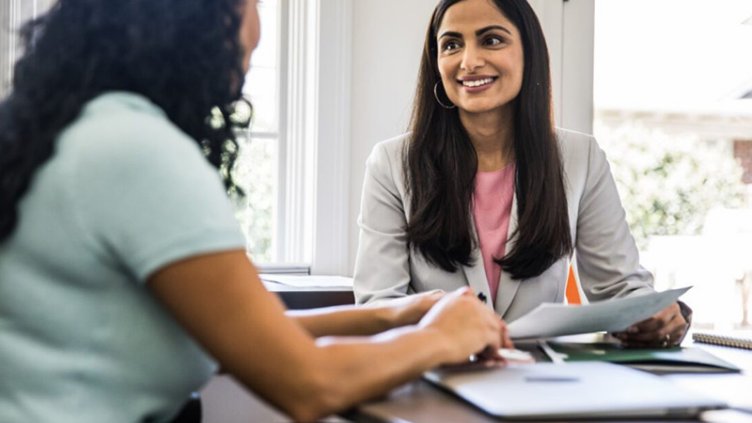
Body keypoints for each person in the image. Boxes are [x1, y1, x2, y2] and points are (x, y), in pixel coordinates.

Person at [0, 0, 513, 421]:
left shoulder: (85, 130)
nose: (259, 29)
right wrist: (441, 338)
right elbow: (308, 383)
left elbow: (243, 332)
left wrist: (395, 313)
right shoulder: (136, 152)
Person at [352, 0, 691, 349]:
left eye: (492, 40)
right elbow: (378, 307)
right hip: (433, 377)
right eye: (452, 44)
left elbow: (620, 288)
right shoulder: (392, 163)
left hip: (542, 383)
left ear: (529, 54)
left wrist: (656, 315)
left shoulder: (580, 158)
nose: (469, 61)